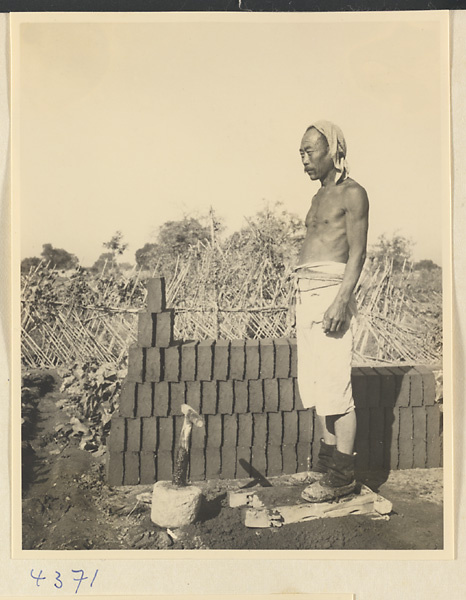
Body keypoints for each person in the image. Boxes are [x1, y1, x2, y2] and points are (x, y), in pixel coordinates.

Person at [293, 120, 369, 503]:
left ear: (333, 150)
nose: (304, 159)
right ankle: (325, 468)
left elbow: (357, 253)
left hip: (331, 294)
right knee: (318, 385)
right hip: (306, 293)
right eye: (301, 153)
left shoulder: (352, 194)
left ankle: (342, 477)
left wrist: (341, 300)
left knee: (336, 387)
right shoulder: (316, 198)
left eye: (310, 151)